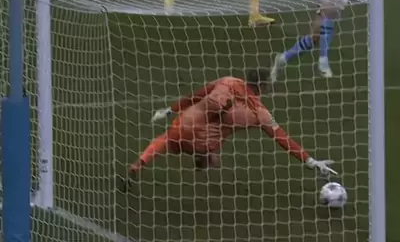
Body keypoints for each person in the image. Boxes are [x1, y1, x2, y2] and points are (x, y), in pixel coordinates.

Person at [123, 69, 336, 191]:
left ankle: (138, 164)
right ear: (262, 87)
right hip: (205, 142)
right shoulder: (260, 112)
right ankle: (203, 158)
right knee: (213, 154)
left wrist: (171, 109)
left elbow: (197, 95)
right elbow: (282, 138)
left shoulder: (227, 80)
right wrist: (311, 161)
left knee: (165, 140)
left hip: (185, 123)